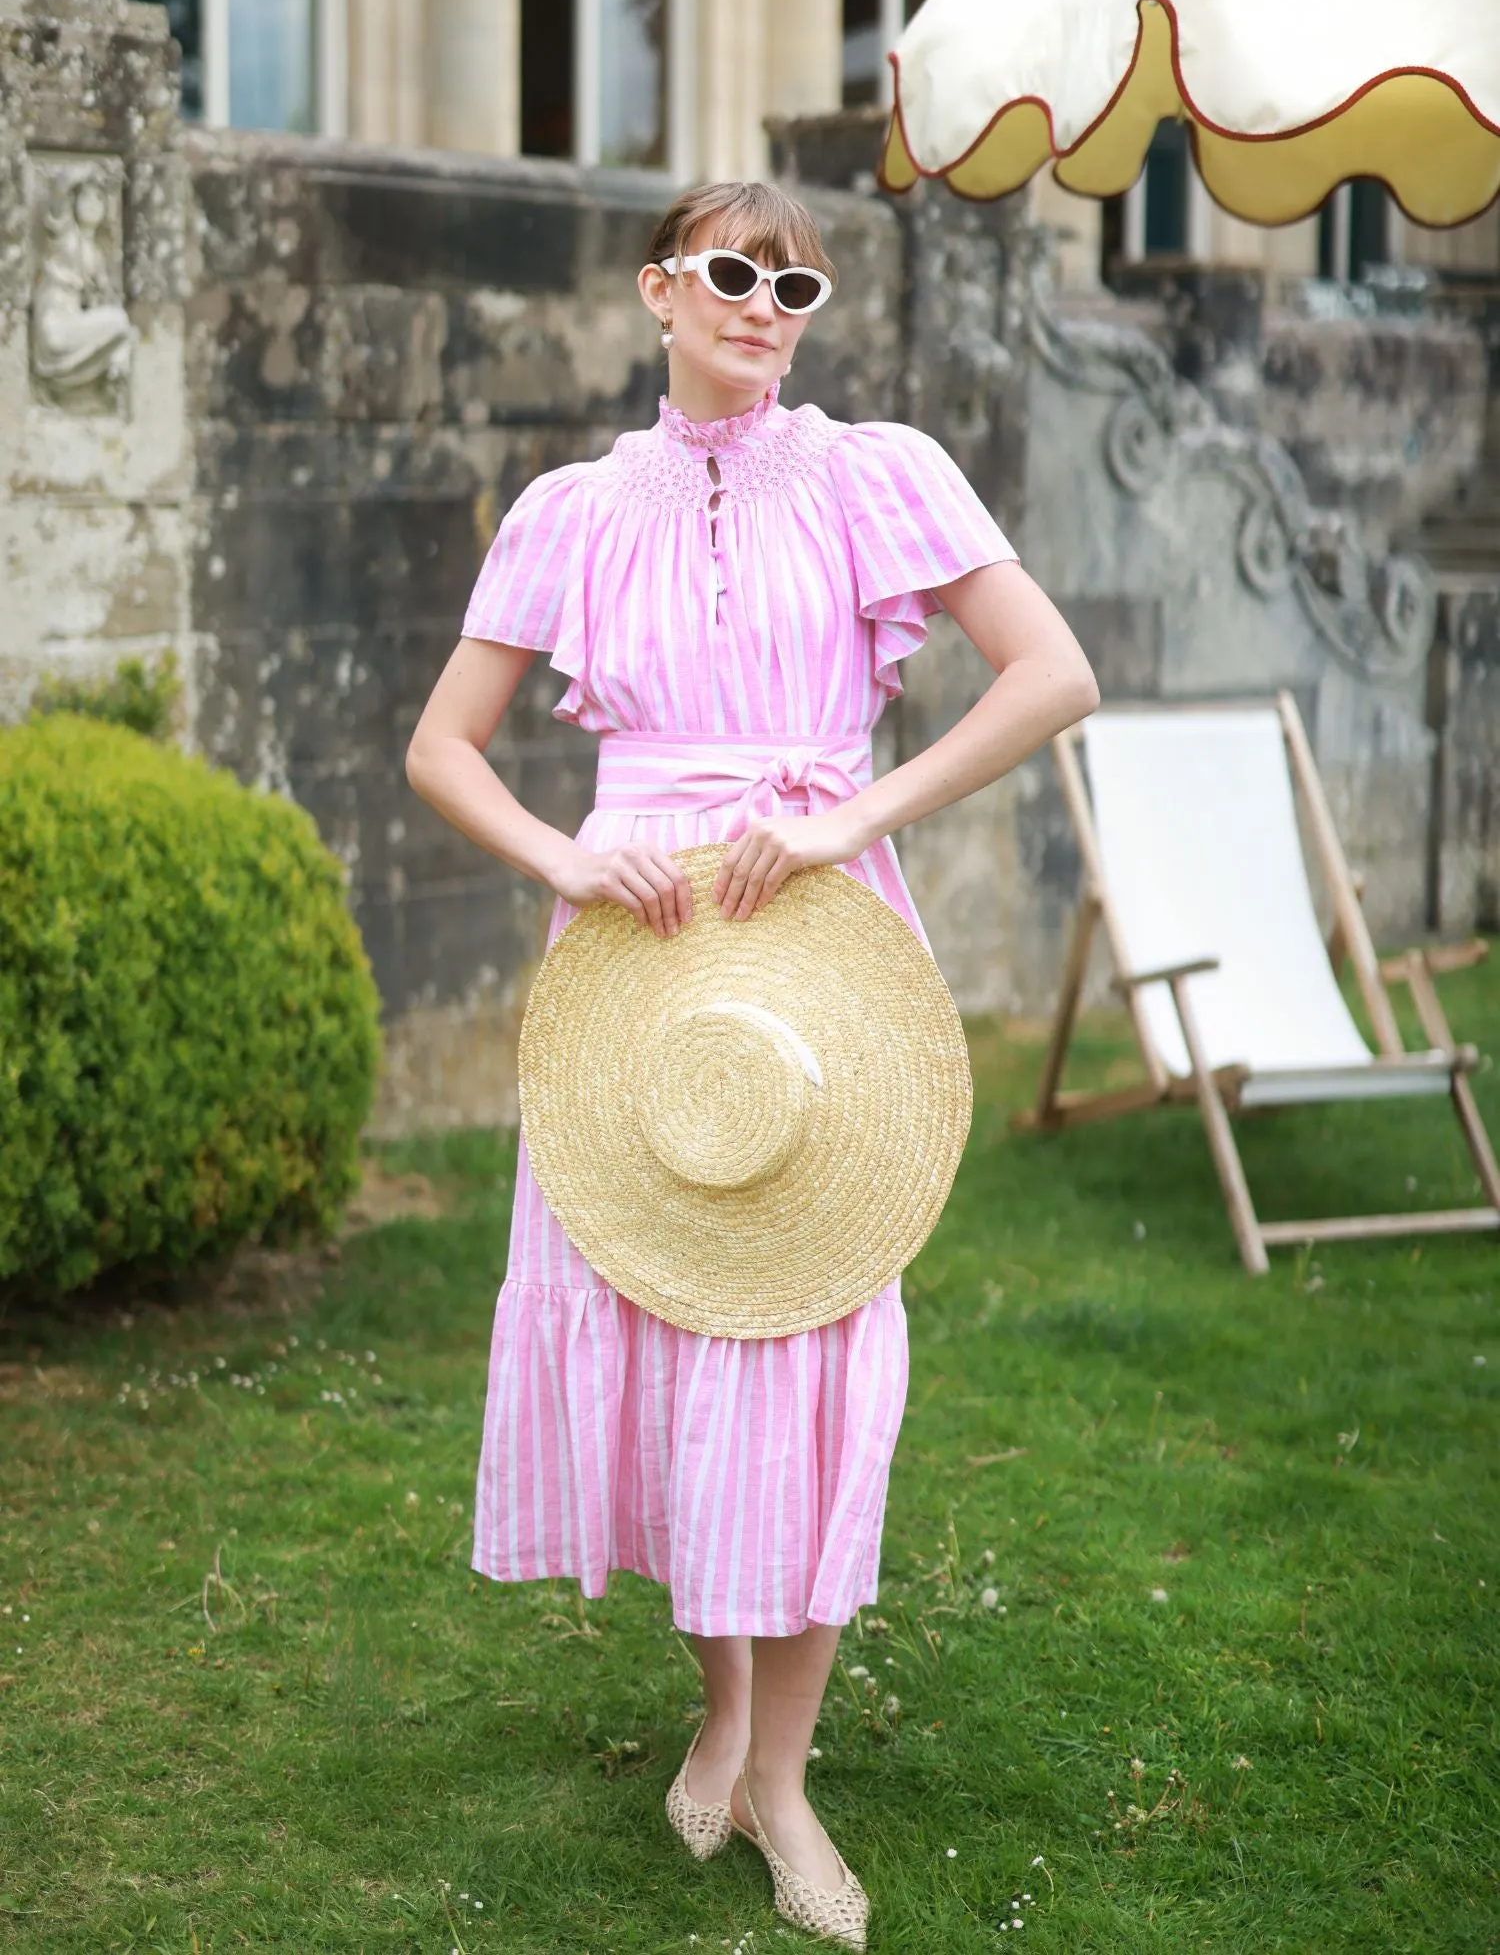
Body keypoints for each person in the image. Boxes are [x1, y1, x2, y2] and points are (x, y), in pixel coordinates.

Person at [406, 179, 1098, 1947]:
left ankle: (784, 1781)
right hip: (632, 955)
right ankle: (720, 1704)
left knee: (810, 1356)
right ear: (658, 288)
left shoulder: (883, 471)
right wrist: (567, 857)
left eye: (795, 280)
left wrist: (839, 818)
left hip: (814, 939)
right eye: (733, 271)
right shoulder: (569, 510)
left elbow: (1050, 676)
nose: (767, 301)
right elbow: (444, 749)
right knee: (654, 1316)